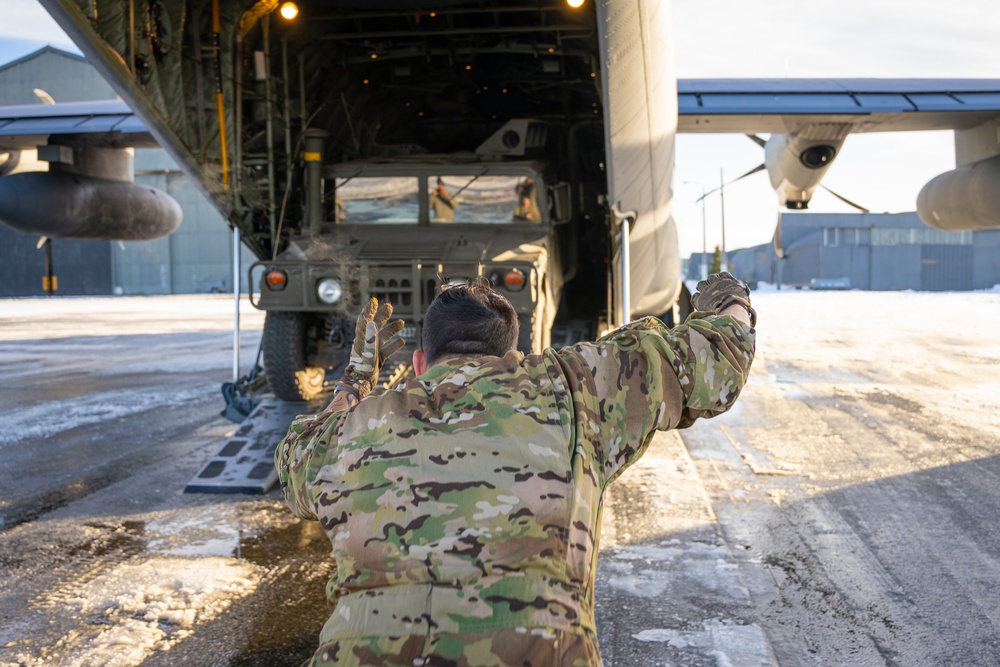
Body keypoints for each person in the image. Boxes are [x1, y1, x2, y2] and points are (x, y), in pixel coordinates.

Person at [275, 273, 756, 667]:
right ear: (512, 355)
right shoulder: (573, 388)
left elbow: (294, 460)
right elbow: (714, 363)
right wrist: (730, 300)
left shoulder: (353, 428)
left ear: (419, 362)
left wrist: (357, 381)